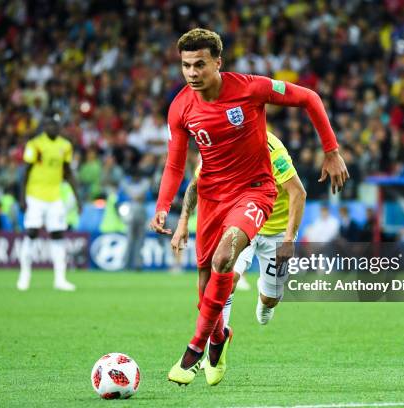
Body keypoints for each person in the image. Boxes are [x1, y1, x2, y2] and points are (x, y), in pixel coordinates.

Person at [149, 28, 348, 386]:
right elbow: (176, 165)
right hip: (212, 196)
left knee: (223, 258)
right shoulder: (180, 107)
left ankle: (194, 349)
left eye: (200, 64)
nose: (192, 73)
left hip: (255, 191)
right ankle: (219, 336)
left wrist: (331, 150)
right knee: (206, 278)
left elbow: (310, 98)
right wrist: (165, 206)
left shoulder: (251, 88)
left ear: (218, 63)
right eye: (185, 66)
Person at [172, 132, 307, 327]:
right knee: (227, 276)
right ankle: (219, 339)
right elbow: (196, 184)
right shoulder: (220, 146)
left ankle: (266, 296)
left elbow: (298, 192)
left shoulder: (272, 149)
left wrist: (288, 240)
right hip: (245, 221)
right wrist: (183, 221)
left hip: (278, 230)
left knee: (270, 299)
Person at [17, 113, 81, 291]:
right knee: (32, 232)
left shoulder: (65, 146)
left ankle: (60, 279)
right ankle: (25, 276)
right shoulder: (35, 145)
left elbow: (68, 173)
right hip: (35, 196)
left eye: (55, 125)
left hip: (55, 196)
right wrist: (22, 197)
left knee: (58, 234)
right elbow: (26, 172)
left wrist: (78, 199)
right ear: (44, 127)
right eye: (49, 125)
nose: (52, 128)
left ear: (59, 127)